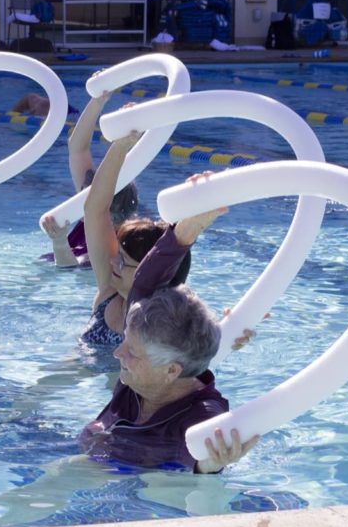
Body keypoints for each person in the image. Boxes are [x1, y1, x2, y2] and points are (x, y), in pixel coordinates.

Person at [78, 284, 259, 473]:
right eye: (125, 340)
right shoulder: (140, 380)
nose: (117, 353)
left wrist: (209, 466)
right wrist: (232, 329)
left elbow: (201, 468)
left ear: (171, 370)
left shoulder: (201, 418)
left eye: (131, 351)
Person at [41, 88, 138, 267]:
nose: (79, 200)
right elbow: (78, 148)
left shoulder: (114, 247)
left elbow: (71, 269)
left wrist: (60, 242)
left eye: (85, 197)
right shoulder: (92, 214)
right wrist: (98, 100)